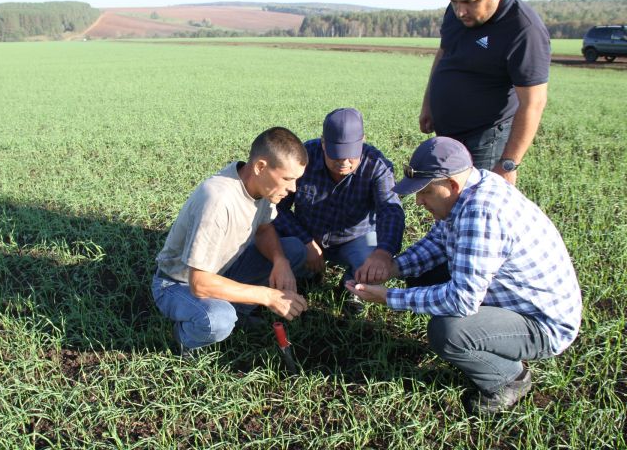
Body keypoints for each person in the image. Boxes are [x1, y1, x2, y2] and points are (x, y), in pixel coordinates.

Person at [347, 137, 582, 413]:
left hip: (543, 325)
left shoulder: (480, 212)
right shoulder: (473, 188)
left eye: (424, 192)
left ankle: (509, 378)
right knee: (424, 276)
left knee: (448, 331)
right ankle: (492, 344)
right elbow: (437, 244)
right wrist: (392, 268)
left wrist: (390, 298)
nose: (419, 202)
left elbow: (462, 301)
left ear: (451, 185)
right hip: (514, 300)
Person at [152, 127, 310, 357]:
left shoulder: (261, 187)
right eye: (287, 179)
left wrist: (280, 261)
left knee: (293, 249)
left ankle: (240, 311)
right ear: (260, 167)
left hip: (222, 269)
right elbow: (200, 283)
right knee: (218, 318)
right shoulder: (218, 201)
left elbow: (265, 229)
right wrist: (267, 296)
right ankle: (185, 337)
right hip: (178, 284)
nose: (293, 188)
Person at [419, 0, 550, 185]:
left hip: (484, 142)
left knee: (477, 207)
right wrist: (428, 103)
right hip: (447, 134)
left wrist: (508, 164)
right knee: (446, 204)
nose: (460, 12)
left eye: (470, 2)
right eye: (454, 1)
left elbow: (533, 103)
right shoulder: (456, 12)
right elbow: (444, 54)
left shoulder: (524, 30)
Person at [273, 108, 405, 310]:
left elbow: (391, 211)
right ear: (323, 143)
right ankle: (308, 274)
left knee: (371, 264)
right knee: (283, 250)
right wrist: (307, 242)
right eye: (336, 155)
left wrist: (383, 253)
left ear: (362, 141)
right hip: (307, 235)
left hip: (353, 239)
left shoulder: (377, 166)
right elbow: (276, 207)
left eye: (350, 155)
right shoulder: (304, 158)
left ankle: (350, 288)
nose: (343, 162)